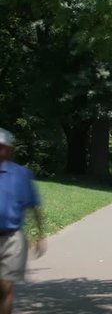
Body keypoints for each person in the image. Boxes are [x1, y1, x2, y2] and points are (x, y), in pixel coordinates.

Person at [0, 128, 46, 313]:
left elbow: (34, 206)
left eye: (2, 147)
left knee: (5, 286)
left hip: (12, 239)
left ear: (10, 149)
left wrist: (40, 234)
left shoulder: (21, 174)